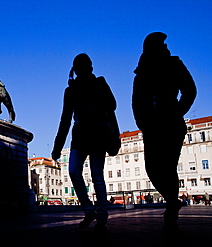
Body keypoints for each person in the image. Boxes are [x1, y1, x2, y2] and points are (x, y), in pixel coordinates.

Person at [132, 32, 197, 231]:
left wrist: (177, 110)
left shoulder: (174, 64)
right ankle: (172, 200)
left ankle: (171, 207)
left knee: (168, 166)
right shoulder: (141, 73)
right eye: (159, 45)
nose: (164, 47)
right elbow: (136, 101)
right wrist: (142, 122)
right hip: (152, 125)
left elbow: (190, 90)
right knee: (152, 167)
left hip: (171, 122)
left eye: (163, 44)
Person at [52, 53, 118, 231]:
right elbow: (65, 119)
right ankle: (90, 211)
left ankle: (101, 216)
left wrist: (94, 106)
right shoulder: (71, 90)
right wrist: (57, 147)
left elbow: (112, 105)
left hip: (96, 133)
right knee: (75, 171)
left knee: (95, 175)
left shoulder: (99, 84)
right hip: (81, 136)